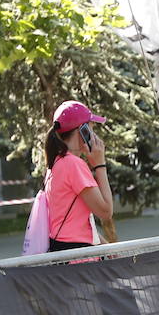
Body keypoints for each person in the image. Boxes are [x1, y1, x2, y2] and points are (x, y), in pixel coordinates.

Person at [43, 100, 112, 251]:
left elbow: (74, 222)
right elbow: (106, 212)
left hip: (64, 250)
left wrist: (105, 246)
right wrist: (100, 165)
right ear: (83, 130)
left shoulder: (57, 162)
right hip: (77, 256)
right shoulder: (73, 164)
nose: (94, 135)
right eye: (92, 129)